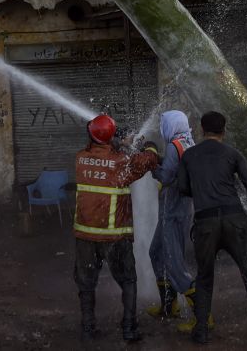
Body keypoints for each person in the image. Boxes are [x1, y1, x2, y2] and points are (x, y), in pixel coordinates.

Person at [176, 111, 247, 345]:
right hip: (235, 221)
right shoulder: (233, 154)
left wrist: (204, 188)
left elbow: (183, 188)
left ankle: (201, 332)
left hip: (205, 224)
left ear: (201, 129)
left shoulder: (188, 156)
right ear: (224, 131)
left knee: (204, 279)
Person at [72, 114, 160, 343]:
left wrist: (117, 142)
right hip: (114, 237)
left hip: (85, 236)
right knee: (128, 280)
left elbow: (97, 152)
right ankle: (129, 329)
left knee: (86, 283)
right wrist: (147, 145)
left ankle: (88, 329)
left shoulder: (80, 158)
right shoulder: (122, 163)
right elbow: (149, 161)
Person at [146, 110, 200, 324]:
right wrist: (160, 161)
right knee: (156, 252)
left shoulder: (172, 145)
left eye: (163, 124)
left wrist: (152, 166)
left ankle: (203, 316)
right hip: (180, 208)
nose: (162, 127)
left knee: (173, 261)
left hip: (173, 209)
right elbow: (177, 169)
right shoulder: (187, 142)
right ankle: (169, 305)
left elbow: (166, 176)